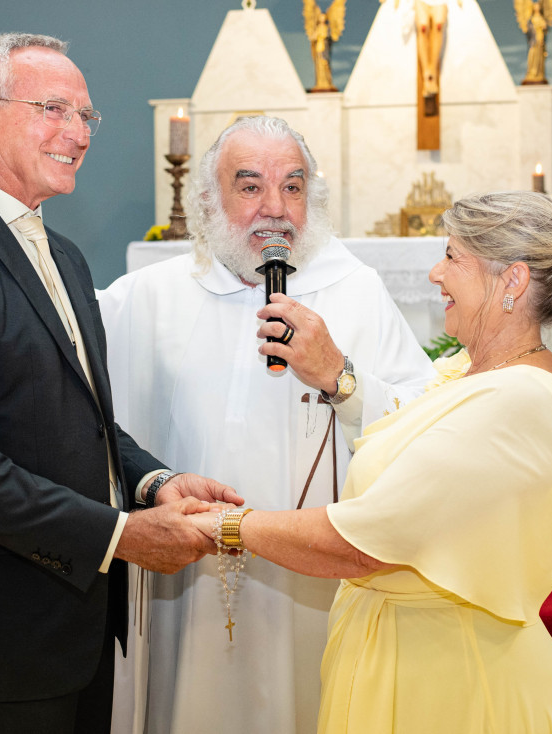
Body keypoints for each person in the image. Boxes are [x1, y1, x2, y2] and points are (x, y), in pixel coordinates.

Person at [0, 33, 240, 734]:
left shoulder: (63, 256)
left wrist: (156, 483)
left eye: (86, 116)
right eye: (54, 110)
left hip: (75, 620)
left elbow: (83, 418)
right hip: (1, 632)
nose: (78, 133)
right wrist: (123, 537)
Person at [191, 190, 552, 732]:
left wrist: (221, 525)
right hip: (408, 662)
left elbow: (363, 544)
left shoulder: (519, 401)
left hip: (458, 688)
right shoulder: (470, 372)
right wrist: (338, 376)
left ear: (513, 281)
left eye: (453, 257)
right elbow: (415, 430)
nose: (436, 273)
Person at [98, 115, 435, 733]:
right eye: (249, 186)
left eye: (294, 186)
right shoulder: (146, 296)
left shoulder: (356, 291)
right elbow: (77, 413)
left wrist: (341, 377)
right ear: (207, 200)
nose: (275, 209)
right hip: (185, 579)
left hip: (308, 579)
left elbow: (424, 430)